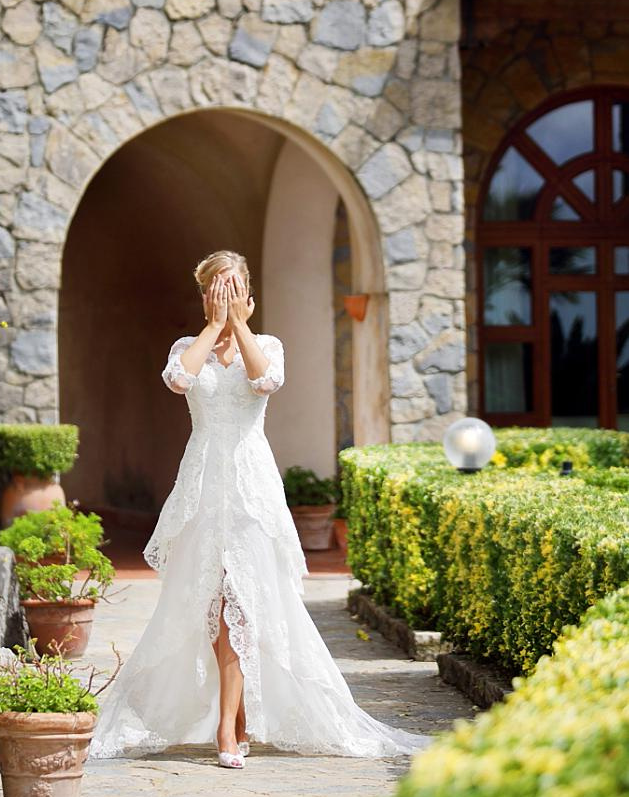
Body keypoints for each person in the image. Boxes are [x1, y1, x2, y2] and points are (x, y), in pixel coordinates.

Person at [87, 250, 433, 768]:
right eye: (216, 287)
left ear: (249, 293)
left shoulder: (268, 344)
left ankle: (229, 726)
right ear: (205, 294)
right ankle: (235, 718)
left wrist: (241, 328)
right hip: (203, 485)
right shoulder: (187, 346)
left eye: (234, 286)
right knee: (210, 604)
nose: (225, 296)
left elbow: (265, 380)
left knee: (242, 602)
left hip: (251, 486)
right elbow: (178, 380)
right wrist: (213, 327)